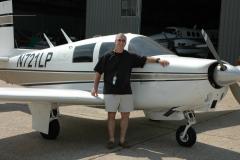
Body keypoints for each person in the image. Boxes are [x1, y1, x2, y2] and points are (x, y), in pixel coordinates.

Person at [91, 33, 169, 149]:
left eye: (123, 41)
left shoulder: (129, 57)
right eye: (119, 40)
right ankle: (111, 140)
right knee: (111, 116)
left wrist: (158, 60)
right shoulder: (106, 56)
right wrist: (95, 88)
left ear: (125, 43)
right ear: (115, 41)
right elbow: (98, 72)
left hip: (126, 92)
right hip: (110, 92)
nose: (121, 42)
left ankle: (122, 140)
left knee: (125, 116)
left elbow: (145, 59)